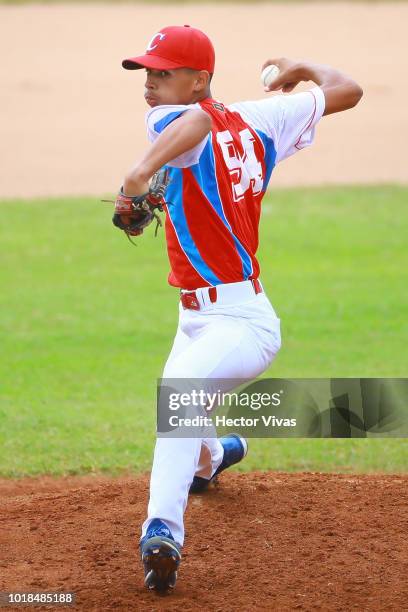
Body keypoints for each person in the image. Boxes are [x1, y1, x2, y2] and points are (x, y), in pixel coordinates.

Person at [119, 24, 363, 594]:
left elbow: (201, 121)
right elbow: (346, 88)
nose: (150, 84)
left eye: (163, 73)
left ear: (199, 79)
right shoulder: (260, 117)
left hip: (243, 321)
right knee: (185, 402)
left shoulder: (174, 118)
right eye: (147, 72)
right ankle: (219, 453)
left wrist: (134, 177)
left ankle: (163, 532)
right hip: (197, 318)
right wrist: (303, 69)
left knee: (177, 393)